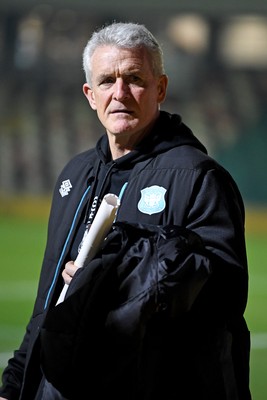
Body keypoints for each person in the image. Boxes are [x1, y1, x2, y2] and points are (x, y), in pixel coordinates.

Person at [0, 21, 251, 400]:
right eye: (106, 81)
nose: (120, 93)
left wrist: (110, 276)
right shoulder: (75, 175)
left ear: (160, 89)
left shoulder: (199, 177)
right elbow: (49, 295)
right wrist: (17, 381)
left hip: (148, 383)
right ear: (90, 94)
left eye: (134, 78)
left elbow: (224, 299)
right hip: (63, 379)